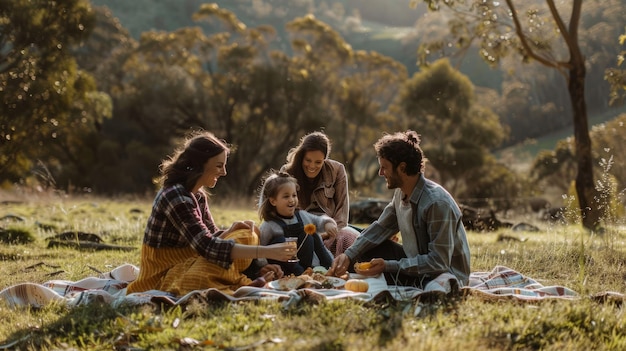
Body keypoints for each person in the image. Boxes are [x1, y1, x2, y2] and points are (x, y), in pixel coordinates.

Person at [126, 131, 292, 296]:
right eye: (219, 166)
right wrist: (267, 251)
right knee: (198, 278)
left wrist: (255, 263)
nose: (224, 172)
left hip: (191, 261)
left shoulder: (198, 195)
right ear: (200, 164)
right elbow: (208, 247)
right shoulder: (175, 195)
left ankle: (247, 279)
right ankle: (238, 283)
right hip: (164, 274)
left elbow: (211, 237)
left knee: (248, 233)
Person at [327, 130, 471, 288]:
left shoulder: (436, 203)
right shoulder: (401, 193)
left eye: (384, 167)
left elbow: (439, 262)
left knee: (437, 284)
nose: (380, 173)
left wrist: (389, 266)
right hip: (416, 264)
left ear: (402, 168)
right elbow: (380, 228)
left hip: (441, 274)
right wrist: (349, 254)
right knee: (365, 249)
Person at [281, 131, 359, 257]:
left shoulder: (337, 170)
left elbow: (342, 213)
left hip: (331, 229)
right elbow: (282, 212)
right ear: (301, 156)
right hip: (299, 229)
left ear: (325, 159)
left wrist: (326, 233)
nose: (312, 166)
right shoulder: (287, 171)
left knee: (349, 239)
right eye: (308, 160)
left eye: (318, 162)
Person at [256, 171, 336, 275]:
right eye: (286, 196)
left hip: (306, 264)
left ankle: (330, 267)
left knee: (311, 233)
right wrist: (264, 266)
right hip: (284, 269)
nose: (291, 200)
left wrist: (328, 223)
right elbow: (260, 249)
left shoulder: (302, 215)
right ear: (273, 201)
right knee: (281, 241)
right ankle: (300, 274)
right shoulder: (269, 225)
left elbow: (320, 220)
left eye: (294, 195)